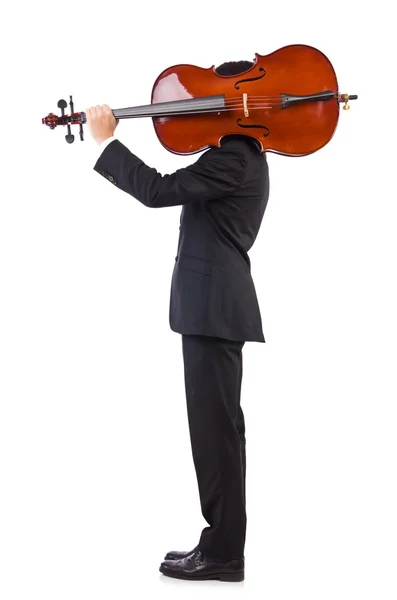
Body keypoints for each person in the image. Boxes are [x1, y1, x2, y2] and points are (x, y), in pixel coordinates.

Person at [85, 59, 270, 582]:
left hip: (213, 310)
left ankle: (223, 554)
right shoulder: (234, 156)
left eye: (218, 99)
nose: (207, 107)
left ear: (236, 106)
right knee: (219, 433)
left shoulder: (234, 159)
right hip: (213, 309)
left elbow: (157, 191)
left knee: (216, 435)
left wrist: (106, 142)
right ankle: (220, 545)